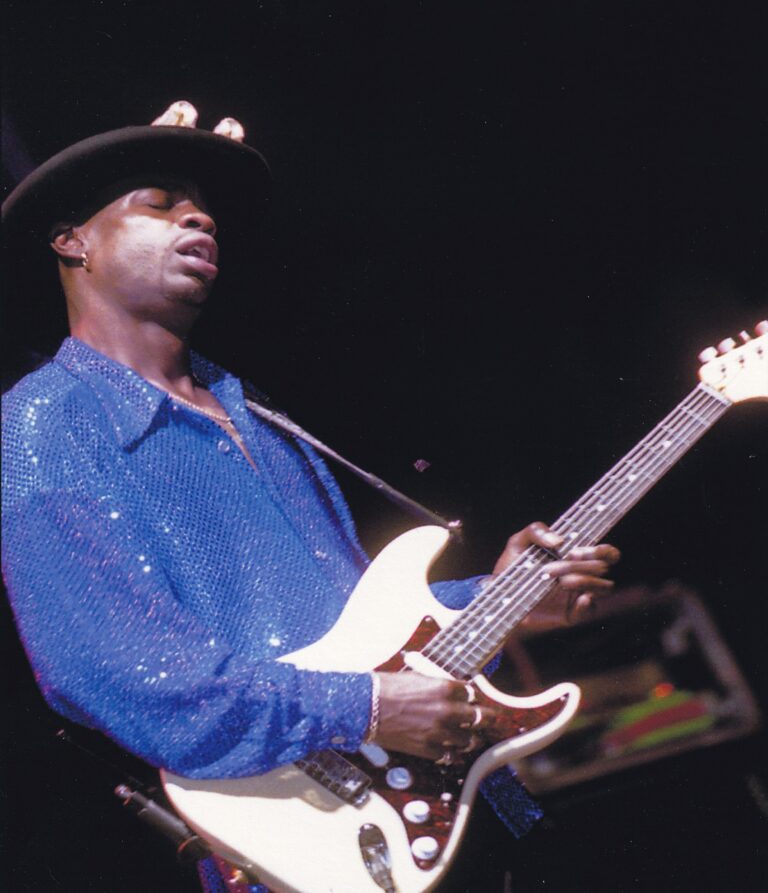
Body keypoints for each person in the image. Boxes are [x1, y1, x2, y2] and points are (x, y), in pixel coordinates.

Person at [1, 104, 620, 892]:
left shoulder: (253, 408)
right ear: (71, 239)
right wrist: (360, 708)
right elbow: (110, 670)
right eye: (159, 200)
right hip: (318, 851)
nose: (198, 215)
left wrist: (499, 599)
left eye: (203, 206)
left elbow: (360, 629)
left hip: (461, 821)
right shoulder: (43, 424)